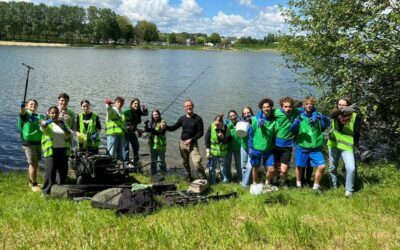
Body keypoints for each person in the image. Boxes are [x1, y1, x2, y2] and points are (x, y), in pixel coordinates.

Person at [290, 96, 330, 190]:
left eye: (311, 104)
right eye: (307, 104)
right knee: (299, 166)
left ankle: (315, 187)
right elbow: (291, 130)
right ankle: (298, 185)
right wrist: (296, 122)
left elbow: (326, 125)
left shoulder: (318, 115)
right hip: (302, 146)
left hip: (315, 148)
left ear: (313, 105)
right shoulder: (299, 115)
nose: (309, 106)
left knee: (322, 166)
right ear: (303, 106)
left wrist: (323, 118)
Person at [327, 98, 361, 197]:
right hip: (333, 144)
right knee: (332, 167)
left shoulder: (355, 116)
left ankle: (349, 190)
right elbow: (332, 115)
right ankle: (333, 187)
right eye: (339, 104)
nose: (341, 106)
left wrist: (358, 147)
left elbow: (357, 133)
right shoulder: (335, 114)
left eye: (344, 105)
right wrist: (341, 111)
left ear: (349, 106)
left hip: (347, 146)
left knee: (351, 168)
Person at [166, 100, 206, 181]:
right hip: (182, 143)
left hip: (193, 144)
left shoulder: (198, 119)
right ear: (184, 108)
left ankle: (203, 177)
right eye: (187, 106)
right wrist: (165, 127)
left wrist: (191, 139)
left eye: (190, 105)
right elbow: (173, 128)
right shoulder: (182, 118)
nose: (189, 107)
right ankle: (189, 176)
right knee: (185, 162)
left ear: (193, 106)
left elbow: (200, 133)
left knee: (197, 163)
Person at [40, 106, 72, 195]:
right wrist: (45, 122)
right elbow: (43, 126)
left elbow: (70, 134)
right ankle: (46, 192)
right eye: (52, 113)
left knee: (63, 172)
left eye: (56, 113)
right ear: (49, 114)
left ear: (58, 114)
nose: (54, 114)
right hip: (51, 151)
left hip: (63, 150)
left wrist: (65, 128)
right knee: (50, 172)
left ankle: (60, 190)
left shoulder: (62, 123)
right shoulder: (47, 123)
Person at [248, 99, 277, 189]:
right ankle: (255, 183)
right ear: (261, 109)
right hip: (256, 148)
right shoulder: (256, 120)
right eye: (264, 107)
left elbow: (275, 135)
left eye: (268, 107)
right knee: (255, 167)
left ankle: (267, 184)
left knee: (271, 169)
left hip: (269, 149)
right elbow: (250, 134)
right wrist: (250, 147)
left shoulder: (274, 121)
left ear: (271, 107)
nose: (266, 108)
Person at [273, 97, 301, 187]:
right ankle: (274, 183)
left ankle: (282, 184)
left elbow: (310, 108)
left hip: (287, 146)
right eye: (285, 107)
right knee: (276, 167)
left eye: (289, 107)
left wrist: (316, 115)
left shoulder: (296, 111)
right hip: (276, 144)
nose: (287, 109)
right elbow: (262, 112)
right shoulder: (276, 112)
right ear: (282, 106)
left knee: (284, 170)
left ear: (293, 107)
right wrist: (258, 118)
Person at [18, 99, 45, 192]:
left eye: (35, 104)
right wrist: (22, 108)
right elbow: (22, 113)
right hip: (29, 143)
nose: (33, 105)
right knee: (33, 164)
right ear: (27, 105)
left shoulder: (39, 116)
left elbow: (43, 125)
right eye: (31, 104)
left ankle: (32, 181)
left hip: (38, 142)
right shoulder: (26, 114)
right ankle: (34, 185)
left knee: (36, 163)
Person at [205, 115, 230, 184]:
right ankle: (213, 182)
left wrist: (223, 138)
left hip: (222, 152)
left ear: (222, 123)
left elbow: (229, 140)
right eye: (216, 124)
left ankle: (225, 181)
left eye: (219, 125)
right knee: (212, 166)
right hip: (213, 151)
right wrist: (207, 151)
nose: (217, 126)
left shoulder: (226, 128)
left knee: (222, 167)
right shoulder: (211, 126)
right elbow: (206, 138)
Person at [123, 98, 148, 167]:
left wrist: (145, 108)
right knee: (126, 148)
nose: (136, 105)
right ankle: (126, 162)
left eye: (138, 104)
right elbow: (127, 125)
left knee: (136, 145)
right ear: (131, 104)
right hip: (125, 132)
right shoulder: (126, 112)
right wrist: (138, 130)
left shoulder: (138, 112)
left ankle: (136, 160)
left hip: (132, 132)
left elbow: (146, 114)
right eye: (135, 103)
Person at [144, 109, 167, 177]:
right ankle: (153, 174)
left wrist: (163, 125)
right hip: (152, 144)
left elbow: (161, 131)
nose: (155, 116)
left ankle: (164, 174)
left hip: (160, 145)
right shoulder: (151, 123)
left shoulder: (162, 122)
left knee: (161, 161)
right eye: (154, 115)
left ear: (159, 115)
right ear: (152, 116)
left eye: (156, 114)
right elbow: (147, 131)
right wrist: (146, 125)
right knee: (153, 161)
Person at [223, 110, 242, 182]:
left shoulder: (241, 123)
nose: (232, 117)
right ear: (228, 117)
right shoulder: (227, 124)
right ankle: (229, 178)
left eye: (233, 115)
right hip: (229, 148)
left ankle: (240, 179)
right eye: (230, 116)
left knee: (239, 165)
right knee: (227, 164)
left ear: (236, 115)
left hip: (238, 147)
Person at [105, 96, 126, 161]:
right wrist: (109, 103)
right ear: (115, 103)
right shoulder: (112, 110)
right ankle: (109, 166)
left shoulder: (122, 113)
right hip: (112, 135)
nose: (120, 104)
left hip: (121, 135)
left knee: (121, 153)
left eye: (121, 103)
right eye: (118, 102)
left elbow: (122, 124)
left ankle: (120, 167)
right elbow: (108, 107)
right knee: (111, 153)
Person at [240, 106, 254, 187]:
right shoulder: (242, 122)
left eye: (248, 112)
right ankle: (244, 181)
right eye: (245, 113)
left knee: (249, 166)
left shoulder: (255, 120)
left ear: (251, 112)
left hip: (252, 147)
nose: (246, 114)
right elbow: (234, 120)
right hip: (243, 146)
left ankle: (244, 185)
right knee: (243, 166)